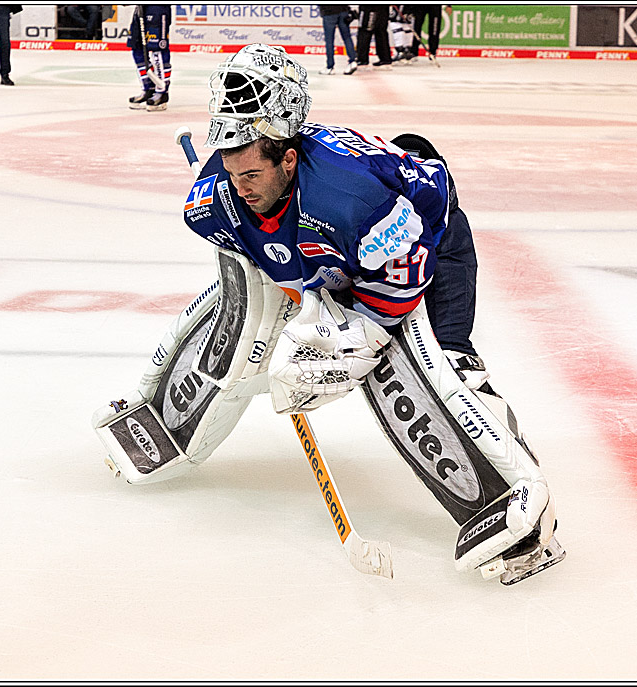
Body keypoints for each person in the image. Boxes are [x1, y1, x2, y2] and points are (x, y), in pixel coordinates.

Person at [93, 44, 564, 586]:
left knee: (439, 362)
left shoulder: (352, 200)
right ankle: (168, 415)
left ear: (287, 157)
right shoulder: (218, 197)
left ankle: (522, 508)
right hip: (347, 251)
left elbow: (397, 289)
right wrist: (299, 310)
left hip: (424, 241)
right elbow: (250, 272)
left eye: (251, 174)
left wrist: (344, 347)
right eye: (230, 169)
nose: (238, 187)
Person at [127, 5, 171, 111]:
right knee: (137, 47)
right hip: (140, 9)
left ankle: (162, 92)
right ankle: (149, 89)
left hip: (157, 9)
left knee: (158, 49)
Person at [317, 5, 357, 75]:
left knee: (329, 40)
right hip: (343, 10)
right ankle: (352, 61)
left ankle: (330, 66)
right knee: (347, 37)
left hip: (329, 12)